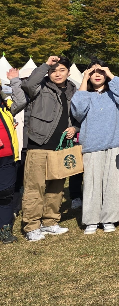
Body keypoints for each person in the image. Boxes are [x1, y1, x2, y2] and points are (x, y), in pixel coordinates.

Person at [14, 55, 78, 241]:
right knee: (35, 187)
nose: (57, 74)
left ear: (68, 72)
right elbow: (28, 85)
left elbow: (78, 115)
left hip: (61, 147)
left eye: (61, 70)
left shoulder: (73, 90)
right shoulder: (39, 87)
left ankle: (50, 221)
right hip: (38, 144)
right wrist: (45, 65)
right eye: (53, 70)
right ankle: (32, 226)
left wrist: (75, 128)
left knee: (56, 187)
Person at [71, 62, 119, 234]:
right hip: (92, 144)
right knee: (91, 183)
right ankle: (91, 219)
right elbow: (77, 110)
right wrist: (84, 78)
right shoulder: (86, 94)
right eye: (93, 72)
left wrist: (109, 72)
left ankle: (110, 218)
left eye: (101, 72)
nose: (97, 75)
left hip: (115, 142)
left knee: (114, 183)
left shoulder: (115, 94)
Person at [0, 70, 26, 243]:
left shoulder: (5, 104)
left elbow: (21, 101)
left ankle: (5, 229)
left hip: (8, 158)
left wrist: (14, 80)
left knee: (6, 194)